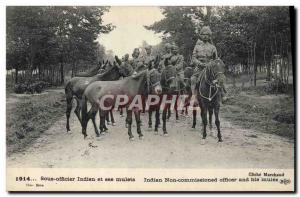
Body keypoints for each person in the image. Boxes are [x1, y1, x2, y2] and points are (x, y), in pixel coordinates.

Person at [190, 26, 226, 103]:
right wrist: (200, 63)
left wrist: (212, 64)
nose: (205, 36)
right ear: (201, 36)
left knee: (219, 76)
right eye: (203, 34)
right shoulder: (197, 47)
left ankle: (222, 94)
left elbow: (215, 59)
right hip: (200, 67)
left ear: (209, 36)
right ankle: (194, 97)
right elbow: (193, 58)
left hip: (211, 67)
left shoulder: (213, 47)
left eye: (207, 34)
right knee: (193, 79)